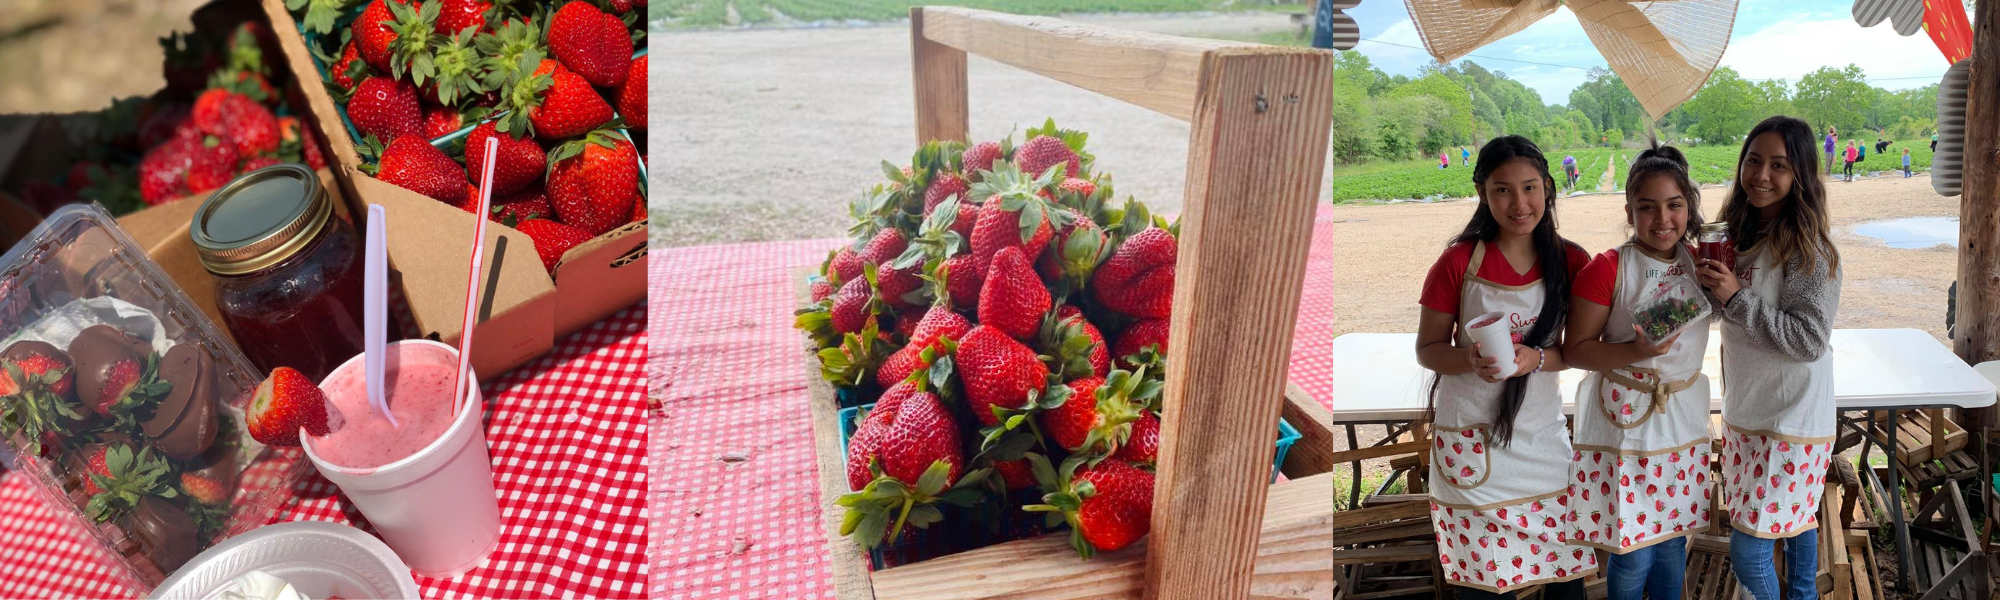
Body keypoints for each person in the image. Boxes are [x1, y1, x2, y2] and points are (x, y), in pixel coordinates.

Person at [1417, 136, 1596, 599]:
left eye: (1531, 188)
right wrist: (1468, 360)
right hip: (1472, 443)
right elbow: (1428, 348)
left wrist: (1535, 358)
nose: (1520, 203)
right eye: (1502, 190)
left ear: (1548, 188)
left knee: (1564, 582)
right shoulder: (1458, 261)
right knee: (1482, 587)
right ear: (1481, 191)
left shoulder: (1572, 260)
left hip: (1540, 443)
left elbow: (1578, 350)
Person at [1693, 115, 1842, 600]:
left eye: (1778, 165)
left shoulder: (1808, 249)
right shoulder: (1738, 231)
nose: (1761, 174)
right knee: (1796, 520)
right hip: (1748, 409)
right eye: (1753, 160)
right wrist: (1712, 289)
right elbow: (1728, 313)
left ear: (1801, 173)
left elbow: (1808, 339)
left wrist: (1736, 297)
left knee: (1749, 547)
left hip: (1792, 417)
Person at [1564, 142, 1713, 600]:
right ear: (1629, 212)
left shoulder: (1702, 260)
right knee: (1631, 549)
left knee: (1671, 539)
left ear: (1689, 208)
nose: (1662, 219)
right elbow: (1576, 351)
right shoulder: (1608, 267)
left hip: (1680, 417)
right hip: (1625, 422)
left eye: (1674, 205)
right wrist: (1634, 349)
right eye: (1647, 207)